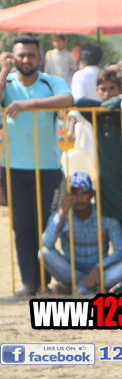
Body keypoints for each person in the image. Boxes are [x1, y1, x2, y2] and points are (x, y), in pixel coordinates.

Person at [2, 37, 74, 295]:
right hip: (12, 168)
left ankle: (45, 281)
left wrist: (29, 104)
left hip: (47, 168)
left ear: (40, 58)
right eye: (20, 55)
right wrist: (3, 72)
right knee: (22, 226)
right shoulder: (7, 82)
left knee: (46, 224)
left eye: (31, 55)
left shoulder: (50, 81)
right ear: (13, 57)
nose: (26, 60)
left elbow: (68, 99)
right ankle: (29, 283)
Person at [74, 69, 122, 247]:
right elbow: (79, 102)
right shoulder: (97, 115)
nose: (107, 93)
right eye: (103, 89)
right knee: (105, 236)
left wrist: (112, 103)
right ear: (97, 91)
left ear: (120, 89)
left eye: (112, 88)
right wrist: (103, 107)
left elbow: (119, 101)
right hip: (106, 182)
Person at [41, 172, 122, 293]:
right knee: (43, 253)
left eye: (84, 193)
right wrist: (62, 213)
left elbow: (121, 250)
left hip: (100, 269)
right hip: (72, 270)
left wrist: (98, 268)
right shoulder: (63, 214)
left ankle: (75, 289)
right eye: (75, 194)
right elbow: (46, 244)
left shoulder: (105, 215)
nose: (79, 199)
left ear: (92, 194)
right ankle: (90, 287)